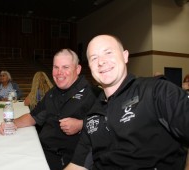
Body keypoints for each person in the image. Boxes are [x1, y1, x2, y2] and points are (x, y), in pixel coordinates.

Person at [65, 35, 189, 170]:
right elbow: (77, 165)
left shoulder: (156, 91)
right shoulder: (92, 114)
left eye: (108, 52)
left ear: (125, 56)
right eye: (94, 58)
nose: (101, 62)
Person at [0, 48, 100, 170]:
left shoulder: (94, 94)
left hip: (69, 159)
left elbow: (109, 125)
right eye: (56, 67)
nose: (59, 72)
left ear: (77, 69)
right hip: (42, 150)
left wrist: (81, 124)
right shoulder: (53, 93)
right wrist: (11, 123)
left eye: (65, 67)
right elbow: (33, 116)